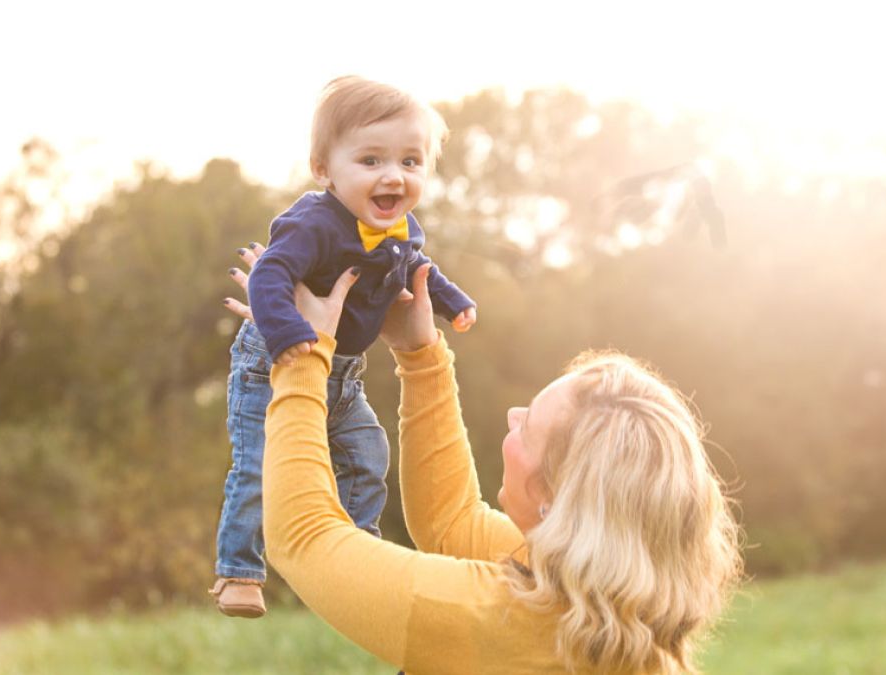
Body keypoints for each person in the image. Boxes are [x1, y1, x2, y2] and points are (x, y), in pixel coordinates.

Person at [220, 243, 743, 673]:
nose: (514, 416)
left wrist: (301, 352)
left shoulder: (490, 618)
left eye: (527, 427)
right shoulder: (609, 600)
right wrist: (420, 356)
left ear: (553, 501)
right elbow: (451, 523)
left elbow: (303, 537)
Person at [210, 76, 477, 618]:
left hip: (345, 371)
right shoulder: (312, 224)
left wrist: (451, 302)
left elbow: (418, 265)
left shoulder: (402, 227)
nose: (393, 175)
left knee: (367, 454)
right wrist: (288, 336)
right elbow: (268, 278)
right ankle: (239, 571)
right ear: (323, 169)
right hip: (274, 358)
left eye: (410, 161)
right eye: (371, 160)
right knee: (258, 464)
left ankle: (352, 556)